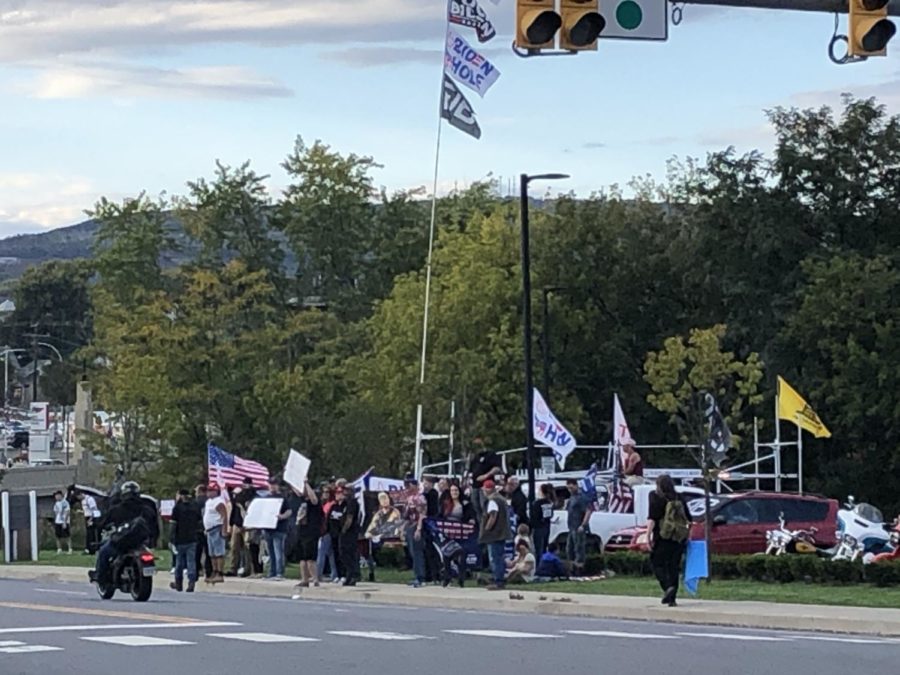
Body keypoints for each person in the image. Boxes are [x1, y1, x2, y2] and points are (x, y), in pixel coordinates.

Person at [93, 481, 158, 585]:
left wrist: (96, 523)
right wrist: (153, 541)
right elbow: (154, 527)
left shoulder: (117, 509)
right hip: (141, 542)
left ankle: (101, 578)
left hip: (121, 543)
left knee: (103, 552)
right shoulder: (147, 509)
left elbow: (103, 522)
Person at [646, 474, 691, 607]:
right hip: (678, 538)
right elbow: (689, 518)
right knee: (673, 566)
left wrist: (648, 535)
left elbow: (652, 518)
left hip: (662, 536)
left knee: (657, 562)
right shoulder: (679, 497)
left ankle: (667, 587)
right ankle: (672, 599)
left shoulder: (655, 497)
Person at [478, 479, 510, 591]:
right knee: (499, 557)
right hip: (502, 532)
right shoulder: (502, 499)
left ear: (487, 489)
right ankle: (499, 579)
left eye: (484, 488)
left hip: (494, 534)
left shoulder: (492, 501)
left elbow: (493, 516)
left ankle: (498, 581)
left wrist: (487, 528)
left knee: (495, 558)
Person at [169, 488, 202, 592]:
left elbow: (173, 524)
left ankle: (179, 583)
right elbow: (199, 522)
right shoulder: (195, 507)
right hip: (192, 538)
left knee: (179, 562)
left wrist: (171, 538)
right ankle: (191, 582)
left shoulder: (177, 508)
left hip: (180, 539)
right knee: (191, 562)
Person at [294, 481, 321, 587]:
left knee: (310, 558)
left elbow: (314, 499)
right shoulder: (302, 500)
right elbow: (297, 491)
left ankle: (315, 579)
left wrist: (306, 483)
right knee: (302, 558)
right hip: (302, 530)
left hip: (311, 532)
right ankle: (304, 579)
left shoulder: (314, 503)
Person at [401, 475, 427, 588]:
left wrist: (419, 529)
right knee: (412, 552)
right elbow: (406, 516)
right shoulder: (408, 499)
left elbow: (422, 514)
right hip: (409, 526)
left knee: (417, 552)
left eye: (409, 484)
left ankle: (420, 577)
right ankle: (416, 575)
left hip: (417, 525)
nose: (407, 487)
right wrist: (403, 529)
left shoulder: (420, 498)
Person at [265, 478, 292, 580]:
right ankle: (271, 572)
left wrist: (282, 516)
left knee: (278, 552)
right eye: (270, 484)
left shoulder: (282, 498)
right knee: (270, 553)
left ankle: (279, 573)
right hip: (267, 528)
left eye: (274, 484)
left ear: (278, 486)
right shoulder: (266, 498)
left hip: (279, 528)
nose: (272, 486)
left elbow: (289, 511)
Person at [333, 484, 360, 586]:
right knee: (344, 554)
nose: (344, 492)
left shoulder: (352, 503)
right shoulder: (346, 503)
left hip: (349, 533)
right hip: (346, 532)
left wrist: (344, 530)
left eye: (346, 490)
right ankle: (350, 575)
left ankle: (352, 575)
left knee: (347, 554)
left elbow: (349, 518)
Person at [467, 444, 502, 521]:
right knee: (475, 506)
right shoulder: (475, 457)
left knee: (485, 506)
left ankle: (488, 524)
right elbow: (470, 470)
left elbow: (497, 468)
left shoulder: (491, 455)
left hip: (486, 485)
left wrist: (486, 476)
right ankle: (481, 525)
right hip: (475, 486)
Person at [565, 478, 592, 576]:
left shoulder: (581, 497)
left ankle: (579, 570)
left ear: (576, 485)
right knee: (569, 549)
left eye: (571, 487)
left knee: (579, 549)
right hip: (571, 527)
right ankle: (571, 569)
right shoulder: (572, 497)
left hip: (578, 527)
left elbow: (588, 511)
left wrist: (583, 525)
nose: (570, 490)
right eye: (568, 488)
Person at [203, 484, 229, 584]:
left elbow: (224, 516)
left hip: (217, 528)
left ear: (216, 491)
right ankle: (214, 572)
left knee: (219, 553)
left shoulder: (219, 502)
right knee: (212, 553)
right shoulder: (208, 502)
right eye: (207, 490)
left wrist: (224, 529)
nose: (208, 492)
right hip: (209, 530)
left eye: (210, 490)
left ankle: (220, 573)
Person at [530, 483, 555, 557]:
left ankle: (539, 565)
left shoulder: (537, 503)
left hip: (538, 528)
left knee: (538, 549)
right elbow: (550, 515)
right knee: (544, 547)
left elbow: (534, 516)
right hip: (546, 526)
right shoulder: (549, 502)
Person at [53, 490, 72, 554]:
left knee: (67, 536)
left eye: (57, 495)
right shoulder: (56, 503)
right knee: (57, 536)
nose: (56, 497)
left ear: (60, 495)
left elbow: (67, 512)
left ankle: (70, 549)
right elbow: (55, 512)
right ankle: (59, 549)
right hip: (58, 521)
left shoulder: (65, 502)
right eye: (55, 496)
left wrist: (65, 521)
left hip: (64, 521)